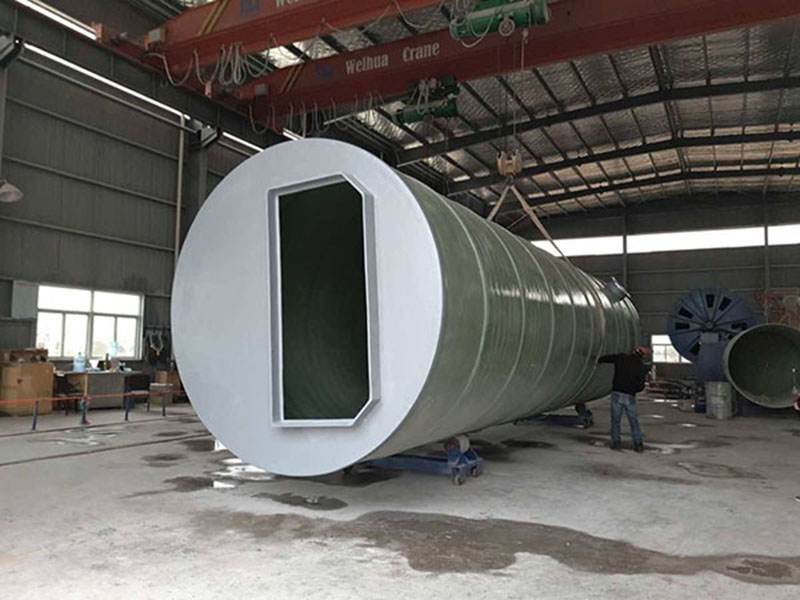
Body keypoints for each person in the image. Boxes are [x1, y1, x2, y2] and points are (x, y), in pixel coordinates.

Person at [598, 347, 650, 452]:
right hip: (629, 396)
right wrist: (632, 389)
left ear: (633, 351)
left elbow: (607, 358)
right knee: (633, 421)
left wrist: (599, 360)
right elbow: (641, 386)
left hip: (617, 393)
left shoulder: (621, 358)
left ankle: (616, 442)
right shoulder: (641, 367)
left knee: (615, 420)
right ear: (643, 356)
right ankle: (638, 444)